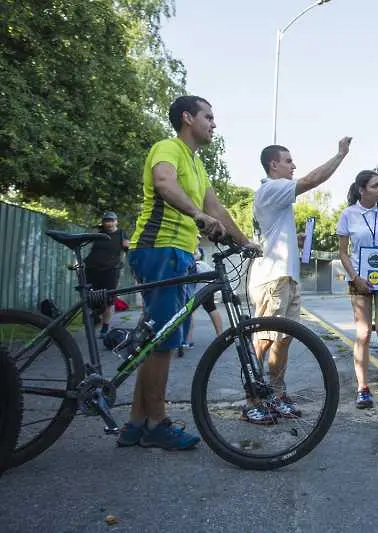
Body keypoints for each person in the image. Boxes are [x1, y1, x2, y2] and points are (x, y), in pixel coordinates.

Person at [119, 95, 259, 450]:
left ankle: (136, 422)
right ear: (187, 118)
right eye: (208, 117)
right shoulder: (167, 148)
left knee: (158, 341)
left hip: (178, 253)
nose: (214, 123)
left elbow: (217, 209)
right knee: (162, 341)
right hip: (158, 248)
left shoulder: (197, 166)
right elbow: (165, 184)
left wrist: (244, 242)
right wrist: (198, 216)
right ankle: (156, 423)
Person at [244, 137, 352, 424]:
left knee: (283, 340)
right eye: (288, 160)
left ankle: (276, 396)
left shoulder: (277, 196)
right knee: (264, 340)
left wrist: (296, 238)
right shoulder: (272, 188)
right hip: (272, 279)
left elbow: (274, 232)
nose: (293, 166)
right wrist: (339, 155)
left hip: (286, 278)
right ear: (273, 165)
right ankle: (251, 401)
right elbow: (312, 180)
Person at [336, 170, 378, 408]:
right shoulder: (348, 214)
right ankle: (362, 388)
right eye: (375, 186)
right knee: (363, 333)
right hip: (358, 280)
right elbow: (343, 252)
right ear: (362, 189)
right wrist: (355, 277)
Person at [84, 211, 129, 339]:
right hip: (91, 269)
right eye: (106, 221)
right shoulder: (98, 233)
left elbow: (128, 249)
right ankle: (96, 316)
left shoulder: (121, 234)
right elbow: (85, 242)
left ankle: (105, 328)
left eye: (111, 221)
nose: (109, 223)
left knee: (109, 300)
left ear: (116, 222)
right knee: (91, 298)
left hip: (111, 270)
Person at [178, 248, 224, 356]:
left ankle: (187, 340)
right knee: (210, 310)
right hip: (205, 289)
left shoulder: (195, 264)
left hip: (196, 290)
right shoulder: (202, 264)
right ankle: (220, 335)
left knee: (190, 313)